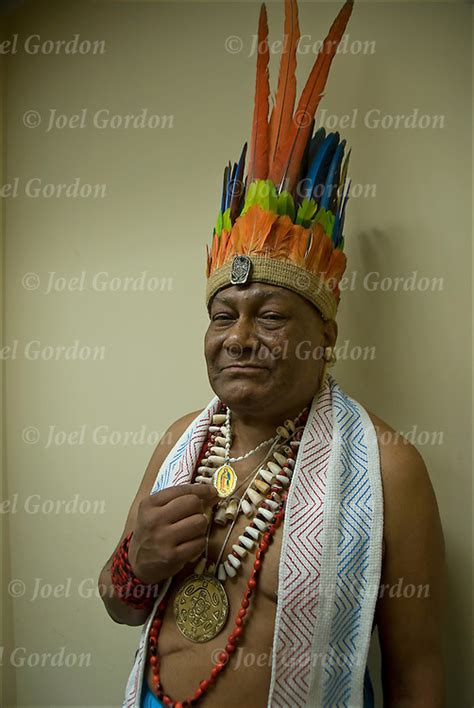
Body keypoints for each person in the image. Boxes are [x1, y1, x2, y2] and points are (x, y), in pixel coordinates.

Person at [98, 1, 445, 706]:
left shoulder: (388, 466)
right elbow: (120, 602)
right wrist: (137, 563)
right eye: (223, 314)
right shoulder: (179, 442)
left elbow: (418, 672)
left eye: (273, 314)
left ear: (327, 337)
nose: (239, 336)